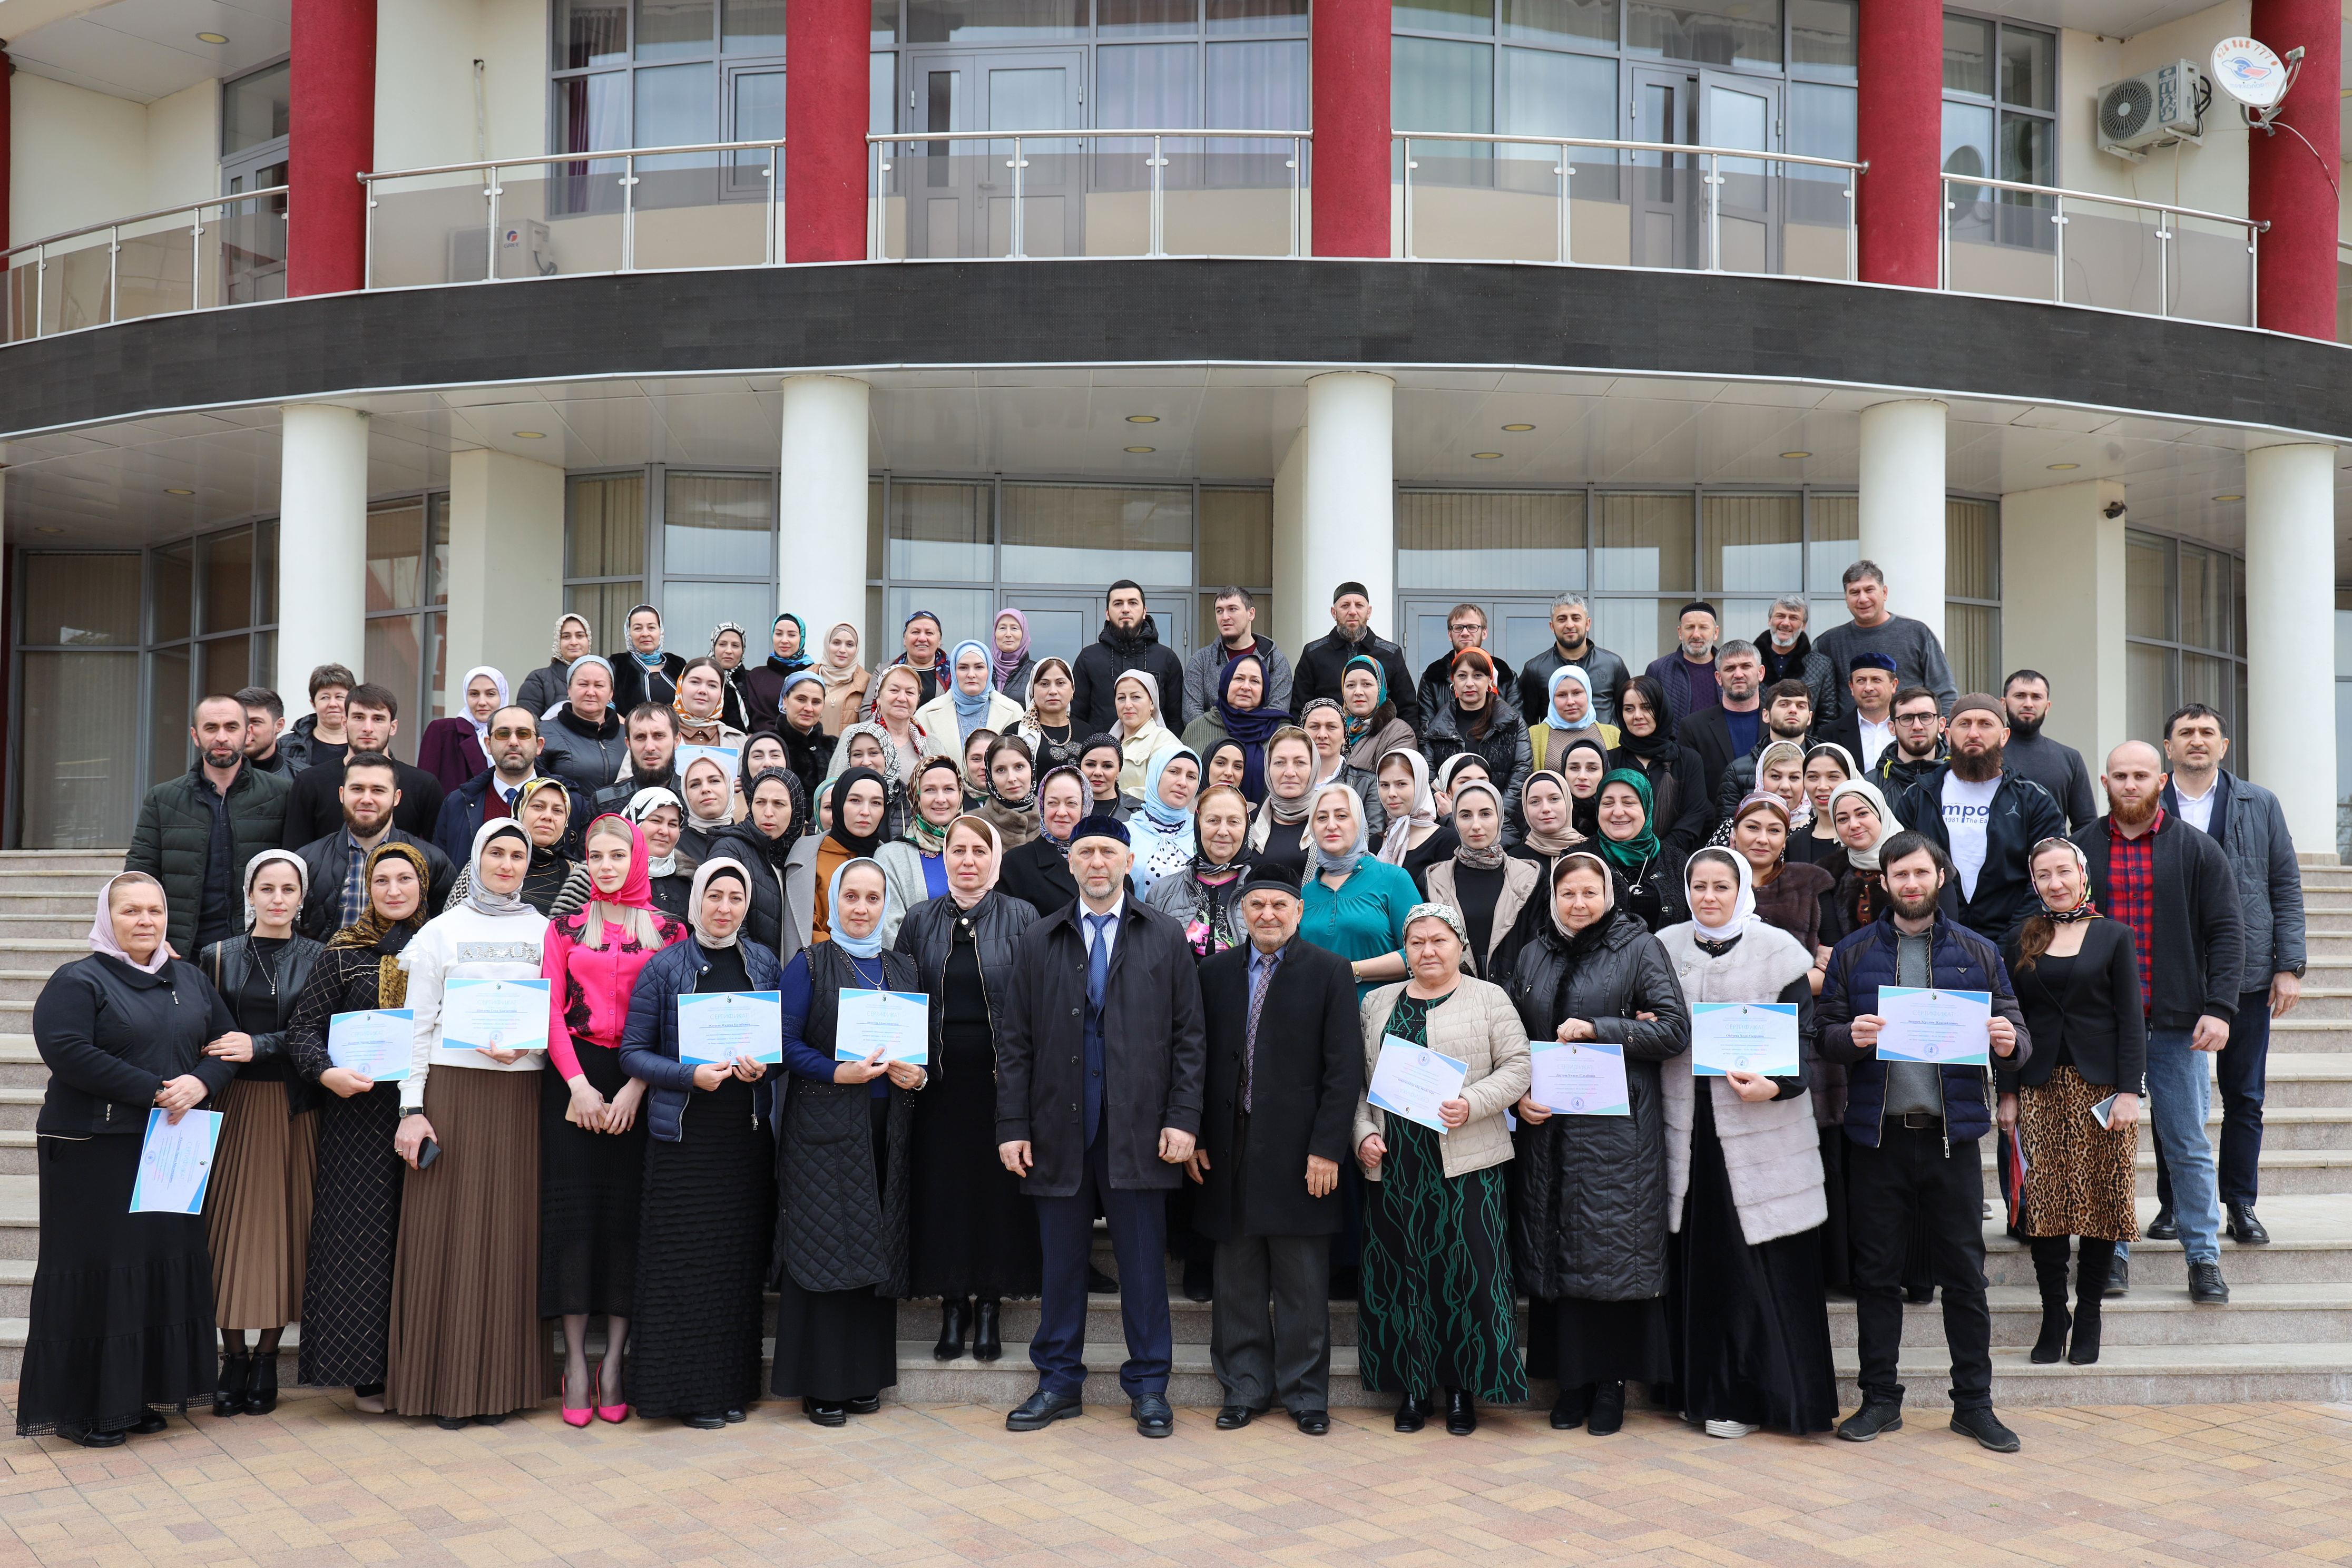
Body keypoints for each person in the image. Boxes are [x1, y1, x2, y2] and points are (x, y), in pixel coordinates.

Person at [1817, 830, 2028, 1454]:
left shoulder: (1979, 952)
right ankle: (1880, 1400)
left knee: (1965, 1276)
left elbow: (2019, 1033)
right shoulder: (1854, 952)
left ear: (1940, 878)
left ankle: (1975, 1405)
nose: (1910, 884)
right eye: (1899, 875)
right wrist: (1849, 1037)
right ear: (1884, 883)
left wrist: (2009, 1043)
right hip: (1878, 1139)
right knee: (1877, 1275)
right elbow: (1823, 1035)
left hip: (1950, 1139)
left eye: (1920, 873)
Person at [996, 816, 1206, 1437]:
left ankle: (1149, 1388)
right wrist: (1013, 1125)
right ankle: (1058, 1383)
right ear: (1070, 862)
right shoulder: (1040, 939)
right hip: (1057, 1128)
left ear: (1128, 861)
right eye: (1085, 851)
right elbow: (1015, 1042)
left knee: (1142, 1270)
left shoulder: (1163, 936)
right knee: (1061, 1268)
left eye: (1107, 852)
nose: (1096, 862)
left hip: (1139, 1130)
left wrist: (1183, 1119)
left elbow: (1189, 1038)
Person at [18, 873, 243, 1445]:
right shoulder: (78, 979)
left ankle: (138, 1396)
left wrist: (201, 1082)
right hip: (95, 1150)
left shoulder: (189, 979)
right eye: (130, 911)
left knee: (153, 1271)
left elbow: (226, 1044)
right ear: (108, 918)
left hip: (171, 1146)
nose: (145, 921)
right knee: (101, 1274)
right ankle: (84, 1410)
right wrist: (156, 1090)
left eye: (154, 910)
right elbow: (67, 1050)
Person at [1504, 851, 1689, 1434]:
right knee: (1556, 1251)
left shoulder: (1639, 947)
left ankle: (1610, 1386)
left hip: (1616, 1131)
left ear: (1609, 895)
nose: (1579, 903)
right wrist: (1517, 1094)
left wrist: (1600, 1029)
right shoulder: (1534, 952)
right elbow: (1511, 1036)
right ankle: (1570, 1383)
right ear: (1553, 898)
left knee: (1608, 1251)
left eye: (1590, 893)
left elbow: (1675, 1030)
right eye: (1568, 894)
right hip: (1547, 1127)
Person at [1656, 848, 1835, 1439]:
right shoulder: (1663, 948)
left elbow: (1803, 1039)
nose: (1709, 897)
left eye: (1721, 886)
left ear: (1742, 891)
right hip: (1690, 1130)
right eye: (1699, 886)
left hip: (1764, 1134)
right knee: (1705, 1267)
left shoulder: (1779, 952)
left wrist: (1776, 1084)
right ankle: (1707, 1395)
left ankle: (1767, 1400)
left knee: (1760, 1267)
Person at [387, 821, 555, 1428]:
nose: (507, 864)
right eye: (496, 853)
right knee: (448, 1235)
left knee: (511, 1234)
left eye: (518, 855)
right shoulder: (441, 931)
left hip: (520, 1095)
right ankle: (444, 1388)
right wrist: (412, 1109)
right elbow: (416, 1024)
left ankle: (503, 1387)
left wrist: (532, 1044)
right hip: (452, 1093)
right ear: (477, 859)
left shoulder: (545, 931)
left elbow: (558, 1013)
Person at [1183, 863, 1359, 1435]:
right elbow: (1195, 1059)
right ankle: (1245, 1389)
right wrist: (1196, 1134)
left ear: (1298, 911)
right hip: (1228, 1148)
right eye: (1256, 905)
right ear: (1242, 911)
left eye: (1279, 905)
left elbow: (1344, 1070)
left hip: (1302, 1154)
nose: (1267, 915)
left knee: (1302, 1284)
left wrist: (1327, 1149)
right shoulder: (1214, 973)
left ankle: (1306, 1396)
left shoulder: (1329, 972)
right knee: (1236, 1283)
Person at [2074, 740, 2242, 1306]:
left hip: (2175, 1024)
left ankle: (2203, 1260)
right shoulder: (2079, 850)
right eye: (2120, 776)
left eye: (2140, 776)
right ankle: (2112, 1254)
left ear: (2161, 781)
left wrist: (2220, 1007)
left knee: (2188, 1145)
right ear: (2104, 783)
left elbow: (2227, 932)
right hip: (2102, 1028)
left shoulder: (2196, 849)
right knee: (2108, 1145)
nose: (2130, 785)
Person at [618, 857, 782, 1428]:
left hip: (744, 1139)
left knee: (734, 1268)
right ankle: (682, 1394)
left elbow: (778, 1049)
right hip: (683, 1141)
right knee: (683, 1266)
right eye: (715, 896)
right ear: (696, 902)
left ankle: (729, 1387)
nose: (725, 908)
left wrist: (765, 1069)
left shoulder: (763, 963)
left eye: (736, 898)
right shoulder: (665, 967)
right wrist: (690, 1076)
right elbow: (633, 1053)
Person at [1354, 903, 1530, 1434]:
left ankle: (1460, 1390)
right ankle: (1413, 1388)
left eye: (1439, 940)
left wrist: (1472, 1103)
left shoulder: (1489, 997)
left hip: (1466, 1160)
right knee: (1402, 1274)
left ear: (1460, 946)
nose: (1427, 951)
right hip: (1396, 1164)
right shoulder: (1378, 1002)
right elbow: (1358, 1080)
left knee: (1467, 1274)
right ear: (1405, 950)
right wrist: (1363, 1134)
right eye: (1416, 943)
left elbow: (1518, 1066)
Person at [540, 815, 689, 1427]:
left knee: (631, 1222)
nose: (606, 866)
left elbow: (675, 1016)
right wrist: (578, 1086)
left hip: (641, 1081)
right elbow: (548, 1009)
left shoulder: (670, 930)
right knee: (575, 1221)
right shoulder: (565, 927)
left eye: (617, 855)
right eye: (596, 856)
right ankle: (577, 1363)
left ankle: (616, 1362)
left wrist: (637, 1086)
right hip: (573, 1081)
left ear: (637, 860)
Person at [771, 858, 930, 1424]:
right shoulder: (809, 964)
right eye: (851, 897)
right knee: (825, 1249)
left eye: (872, 898)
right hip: (824, 1131)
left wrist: (918, 1075)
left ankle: (864, 1378)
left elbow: (921, 1048)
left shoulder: (902, 968)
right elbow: (784, 1043)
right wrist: (836, 1071)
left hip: (888, 1131)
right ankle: (821, 1384)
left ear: (886, 905)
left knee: (873, 1252)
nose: (861, 908)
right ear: (833, 903)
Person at [284, 841, 432, 1413]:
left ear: (423, 884)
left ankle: (419, 1366)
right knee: (360, 1241)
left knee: (423, 1238)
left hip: (428, 1110)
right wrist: (327, 1073)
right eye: (381, 880)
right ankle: (365, 1372)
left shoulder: (438, 946)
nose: (394, 890)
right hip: (356, 1116)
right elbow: (303, 1029)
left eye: (405, 879)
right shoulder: (343, 952)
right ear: (367, 889)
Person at [895, 817, 1043, 1364]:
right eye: (958, 850)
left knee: (996, 1196)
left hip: (1002, 1082)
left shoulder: (1022, 916)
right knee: (946, 1195)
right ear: (945, 857)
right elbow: (902, 995)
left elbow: (1037, 1001)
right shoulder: (919, 919)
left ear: (995, 859)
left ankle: (990, 1307)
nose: (968, 860)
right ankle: (952, 1306)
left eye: (980, 851)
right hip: (937, 1086)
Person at [2157, 702, 2304, 1248]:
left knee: (2244, 1096)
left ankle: (2240, 1203)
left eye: (2207, 733)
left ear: (2223, 745)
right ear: (2169, 747)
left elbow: (2285, 884)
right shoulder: (2151, 801)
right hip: (2173, 974)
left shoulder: (2259, 803)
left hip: (2246, 972)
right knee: (2173, 1097)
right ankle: (2174, 1204)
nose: (2196, 740)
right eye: (2185, 733)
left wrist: (2289, 965)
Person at [2003, 838, 2144, 1366]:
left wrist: (2129, 1091)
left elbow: (2132, 1020)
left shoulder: (2114, 936)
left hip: (2103, 1090)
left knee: (2103, 1202)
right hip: (2039, 1087)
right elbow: (2009, 1019)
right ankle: (2052, 1314)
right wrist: (2008, 1092)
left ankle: (2088, 1314)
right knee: (2046, 1206)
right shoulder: (2023, 936)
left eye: (2064, 871)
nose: (2055, 882)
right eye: (2044, 875)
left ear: (2082, 875)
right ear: (2034, 882)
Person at [196, 850, 326, 1418]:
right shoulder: (216, 955)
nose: (277, 899)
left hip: (292, 1108)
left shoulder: (321, 956)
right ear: (250, 894)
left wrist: (261, 1045)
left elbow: (317, 1031)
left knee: (284, 1231)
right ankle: (233, 1357)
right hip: (228, 1104)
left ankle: (267, 1357)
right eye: (266, 888)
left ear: (302, 897)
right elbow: (199, 1025)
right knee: (223, 1231)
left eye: (288, 889)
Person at [126, 693, 294, 958]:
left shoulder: (282, 794)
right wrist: (156, 939)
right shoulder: (163, 799)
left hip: (261, 948)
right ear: (195, 736)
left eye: (232, 727)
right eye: (211, 728)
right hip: (184, 952)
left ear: (248, 733)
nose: (221, 738)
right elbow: (139, 876)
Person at [1895, 694, 2067, 947]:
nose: (1974, 733)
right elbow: (1898, 871)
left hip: (2013, 946)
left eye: (1985, 724)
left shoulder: (2033, 800)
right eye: (1964, 724)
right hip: (1932, 942)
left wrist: (2010, 944)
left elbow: (2046, 878)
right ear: (1948, 735)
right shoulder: (1918, 796)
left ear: (2004, 736)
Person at [291, 751, 456, 942]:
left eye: (378, 790)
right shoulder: (307, 861)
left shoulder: (431, 861)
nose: (367, 799)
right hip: (327, 961)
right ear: (342, 794)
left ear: (396, 797)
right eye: (357, 789)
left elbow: (450, 929)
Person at [280, 683, 446, 846]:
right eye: (359, 717)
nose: (368, 728)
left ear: (393, 727)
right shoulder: (309, 782)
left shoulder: (424, 786)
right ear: (344, 723)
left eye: (378, 719)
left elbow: (438, 854)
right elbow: (295, 854)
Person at [1300, 783, 1417, 999]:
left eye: (1342, 816)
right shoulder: (1304, 895)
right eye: (1322, 818)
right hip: (1315, 1014)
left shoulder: (1393, 879)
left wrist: (1350, 970)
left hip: (1379, 1013)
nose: (1331, 825)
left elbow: (1419, 952)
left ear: (1359, 822)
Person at [1812, 561, 1957, 724]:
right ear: (1846, 599)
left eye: (1869, 590)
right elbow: (1815, 699)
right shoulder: (1829, 643)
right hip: (1849, 738)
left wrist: (1945, 734)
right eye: (1855, 592)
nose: (1863, 599)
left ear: (1885, 593)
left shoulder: (1917, 634)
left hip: (1912, 735)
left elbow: (1944, 693)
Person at [1425, 780, 1537, 981]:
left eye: (1485, 814)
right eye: (1466, 815)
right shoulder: (1433, 880)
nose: (1476, 826)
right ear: (1455, 820)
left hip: (1515, 993)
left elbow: (1535, 952)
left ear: (1500, 817)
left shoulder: (1530, 878)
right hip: (1454, 992)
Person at [440, 776, 591, 916]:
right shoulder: (481, 867)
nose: (548, 816)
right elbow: (451, 924)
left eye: (558, 811)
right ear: (520, 810)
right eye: (538, 806)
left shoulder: (579, 876)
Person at [712, 767, 817, 957]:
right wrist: (763, 967)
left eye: (779, 804)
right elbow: (729, 926)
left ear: (796, 810)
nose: (768, 812)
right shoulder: (730, 848)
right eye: (760, 802)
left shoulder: (801, 853)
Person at [1146, 782, 1257, 959]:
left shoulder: (1261, 892)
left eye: (1234, 822)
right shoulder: (1161, 893)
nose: (1223, 831)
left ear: (1246, 828)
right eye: (1213, 820)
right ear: (1198, 825)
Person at [1730, 791, 1835, 977]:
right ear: (1735, 833)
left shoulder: (1809, 882)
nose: (1763, 839)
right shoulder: (1712, 881)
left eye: (1774, 831)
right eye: (1753, 828)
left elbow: (1832, 963)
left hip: (1800, 993)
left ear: (1785, 840)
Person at [432, 705, 552, 867]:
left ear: (539, 745)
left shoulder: (568, 804)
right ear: (488, 744)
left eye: (523, 734)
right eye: (503, 734)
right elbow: (442, 872)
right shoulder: (456, 804)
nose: (513, 742)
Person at [1291, 581, 1419, 730]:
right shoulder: (1314, 654)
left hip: (1380, 739)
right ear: (1334, 612)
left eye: (1359, 605)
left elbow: (1408, 710)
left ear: (1369, 612)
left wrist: (1408, 743)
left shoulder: (1390, 654)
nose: (1352, 612)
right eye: (1345, 606)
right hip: (1326, 738)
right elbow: (1299, 710)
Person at [1610, 675, 1710, 856]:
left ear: (1662, 709)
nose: (1637, 716)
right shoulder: (1609, 761)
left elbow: (1693, 817)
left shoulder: (1688, 760)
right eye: (1629, 709)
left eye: (1646, 707)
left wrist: (1658, 855)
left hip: (1675, 860)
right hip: (1619, 859)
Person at [1073, 581, 1187, 733]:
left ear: (1144, 612)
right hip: (1102, 747)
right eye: (1118, 604)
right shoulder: (1088, 658)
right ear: (1107, 613)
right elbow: (1077, 718)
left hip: (1155, 747)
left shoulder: (1167, 659)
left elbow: (1175, 720)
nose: (1126, 609)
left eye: (1133, 603)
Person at [1181, 653, 1291, 805]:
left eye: (1255, 681)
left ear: (1264, 689)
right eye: (1239, 679)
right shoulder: (1198, 728)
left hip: (1265, 816)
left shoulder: (1281, 732)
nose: (1246, 687)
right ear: (1226, 682)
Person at [1424, 650, 1533, 802]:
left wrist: (1496, 812)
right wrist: (1450, 812)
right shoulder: (1435, 729)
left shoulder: (1513, 724)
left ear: (1490, 681)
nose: (1469, 683)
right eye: (1462, 676)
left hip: (1501, 814)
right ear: (1453, 682)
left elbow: (1521, 774)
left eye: (1478, 676)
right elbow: (1429, 780)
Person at [877, 756, 968, 937]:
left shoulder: (979, 849)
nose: (941, 799)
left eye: (949, 789)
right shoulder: (890, 857)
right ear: (915, 795)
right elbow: (888, 930)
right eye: (930, 790)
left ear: (960, 794)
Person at [1184, 587, 1295, 727]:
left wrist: (1247, 735)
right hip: (1210, 738)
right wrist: (1218, 738)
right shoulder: (1201, 661)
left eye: (1232, 609)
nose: (1225, 617)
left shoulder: (1276, 661)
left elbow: (1278, 711)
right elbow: (1191, 713)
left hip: (1262, 738)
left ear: (1251, 614)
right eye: (1219, 611)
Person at [2001, 670, 2097, 830]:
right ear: (2003, 704)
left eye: (2036, 697)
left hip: (2052, 846)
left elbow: (2086, 827)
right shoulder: (1987, 756)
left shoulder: (2070, 759)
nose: (2028, 704)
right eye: (2020, 696)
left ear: (2048, 706)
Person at [1594, 770, 1688, 933]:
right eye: (1608, 803)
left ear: (1646, 806)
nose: (1618, 812)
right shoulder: (1580, 858)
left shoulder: (1677, 862)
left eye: (1628, 803)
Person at [1709, 680, 1816, 823]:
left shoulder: (1829, 764)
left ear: (1810, 717)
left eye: (1801, 706)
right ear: (1765, 715)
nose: (1793, 710)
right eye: (1784, 704)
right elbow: (1728, 829)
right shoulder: (1737, 772)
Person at [1519, 593, 1629, 730]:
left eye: (1576, 618)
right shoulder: (1535, 669)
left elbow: (1627, 713)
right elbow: (1526, 722)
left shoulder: (1613, 664)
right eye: (1562, 619)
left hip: (1607, 744)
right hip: (1554, 744)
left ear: (1587, 624)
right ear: (1552, 626)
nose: (1570, 625)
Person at [1677, 639, 1767, 805]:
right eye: (1730, 668)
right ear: (1719, 678)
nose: (1738, 674)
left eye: (1746, 666)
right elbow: (1689, 791)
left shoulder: (1779, 723)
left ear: (1761, 673)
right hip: (1713, 819)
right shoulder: (1694, 727)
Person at [812, 768, 892, 944]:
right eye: (855, 800)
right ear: (839, 803)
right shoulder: (810, 858)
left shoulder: (890, 860)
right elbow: (808, 928)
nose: (865, 811)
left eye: (876, 803)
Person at [1001, 767, 1093, 915]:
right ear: (1042, 806)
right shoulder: (1015, 864)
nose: (1061, 812)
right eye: (1052, 803)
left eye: (1071, 803)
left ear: (1086, 807)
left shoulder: (1106, 859)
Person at [538, 655, 630, 795]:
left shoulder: (628, 736)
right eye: (583, 684)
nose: (591, 693)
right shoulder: (545, 732)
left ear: (611, 693)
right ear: (569, 690)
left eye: (599, 686)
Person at [1415, 602, 1520, 724]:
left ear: (1484, 633)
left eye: (1472, 627)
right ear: (1450, 635)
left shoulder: (1506, 676)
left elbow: (1516, 725)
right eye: (1458, 628)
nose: (1465, 633)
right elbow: (1427, 727)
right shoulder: (1432, 677)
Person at [918, 639, 1026, 756]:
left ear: (989, 671)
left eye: (979, 667)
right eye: (963, 668)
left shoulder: (1015, 711)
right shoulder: (925, 714)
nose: (971, 675)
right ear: (953, 672)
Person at [1121, 746, 1204, 897]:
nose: (1183, 783)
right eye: (1174, 772)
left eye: (1191, 776)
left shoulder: (1203, 832)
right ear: (1156, 774)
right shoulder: (1126, 833)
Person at [1374, 747, 1454, 895]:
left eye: (1401, 784)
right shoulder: (1374, 843)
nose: (1391, 793)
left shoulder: (1446, 841)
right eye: (1385, 785)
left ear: (1420, 785)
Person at [417, 667, 508, 795]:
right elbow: (423, 787)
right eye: (474, 694)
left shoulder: (513, 737)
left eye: (490, 694)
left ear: (503, 696)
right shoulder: (443, 731)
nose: (482, 702)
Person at [1247, 728, 1319, 881]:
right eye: (1280, 763)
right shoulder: (1248, 823)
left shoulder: (1333, 821)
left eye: (1300, 763)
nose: (1290, 772)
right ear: (1268, 768)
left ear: (1314, 768)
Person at [1644, 600, 1722, 732]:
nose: (1696, 635)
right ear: (1680, 632)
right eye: (1690, 627)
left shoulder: (1730, 670)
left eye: (1703, 627)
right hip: (1676, 746)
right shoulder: (1658, 670)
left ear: (1716, 633)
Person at [1817, 652, 1901, 773]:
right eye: (1861, 681)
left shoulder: (1908, 727)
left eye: (1876, 680)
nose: (1868, 688)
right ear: (1852, 687)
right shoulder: (1830, 734)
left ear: (1893, 685)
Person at [1525, 664, 1616, 774]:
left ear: (1588, 694)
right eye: (1562, 695)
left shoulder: (1613, 735)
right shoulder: (1533, 736)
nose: (1570, 702)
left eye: (1577, 693)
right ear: (1552, 699)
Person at [830, 720, 913, 841]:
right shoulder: (837, 795)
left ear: (888, 755)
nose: (866, 762)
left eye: (874, 753)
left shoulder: (908, 799)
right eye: (857, 755)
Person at [1756, 594, 1835, 718]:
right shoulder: (1749, 663)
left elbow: (1828, 716)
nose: (1786, 623)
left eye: (1793, 618)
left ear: (1803, 626)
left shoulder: (1823, 666)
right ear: (1770, 620)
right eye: (1780, 616)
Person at [624, 787, 698, 918]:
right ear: (634, 822)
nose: (664, 831)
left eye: (673, 824)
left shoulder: (692, 878)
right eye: (656, 821)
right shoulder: (605, 874)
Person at [771, 669, 839, 803]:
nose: (809, 708)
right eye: (801, 699)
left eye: (816, 702)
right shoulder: (768, 743)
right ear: (785, 701)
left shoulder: (834, 747)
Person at [1339, 655, 1416, 775]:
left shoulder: (1400, 734)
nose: (1358, 692)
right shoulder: (1332, 729)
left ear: (1381, 689)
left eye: (1367, 684)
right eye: (1351, 685)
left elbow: (1393, 781)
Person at [277, 662, 357, 775]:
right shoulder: (285, 746)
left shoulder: (368, 743)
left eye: (339, 697)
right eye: (325, 697)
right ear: (313, 703)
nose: (332, 704)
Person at [1012, 655, 1085, 776]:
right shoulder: (1016, 733)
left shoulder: (1085, 731)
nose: (1053, 691)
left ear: (1073, 689)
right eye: (1044, 684)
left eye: (1060, 683)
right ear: (1032, 690)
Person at [741, 612, 817, 727]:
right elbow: (756, 719)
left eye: (792, 635)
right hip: (766, 736)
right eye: (779, 634)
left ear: (801, 638)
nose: (784, 640)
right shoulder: (756, 676)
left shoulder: (814, 674)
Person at [1112, 671, 1179, 799]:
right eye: (1121, 698)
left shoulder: (1165, 741)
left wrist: (1110, 797)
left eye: (1136, 697)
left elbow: (1163, 789)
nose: (1128, 705)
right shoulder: (1108, 743)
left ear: (1152, 703)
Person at [609, 603, 686, 714]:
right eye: (638, 628)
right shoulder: (616, 665)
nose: (645, 634)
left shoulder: (678, 664)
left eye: (651, 628)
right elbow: (606, 708)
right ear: (629, 633)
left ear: (660, 631)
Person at [1791, 742, 1858, 868]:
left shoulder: (1865, 834)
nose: (1822, 786)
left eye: (1833, 777)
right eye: (1813, 777)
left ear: (1851, 779)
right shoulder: (1794, 844)